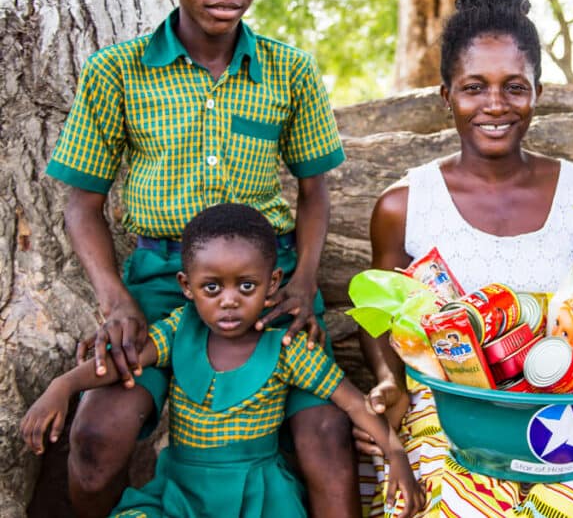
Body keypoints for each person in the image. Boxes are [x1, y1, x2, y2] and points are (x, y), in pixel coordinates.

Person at [44, 0, 357, 517]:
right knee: (97, 436)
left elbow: (315, 190)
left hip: (266, 291)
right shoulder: (118, 71)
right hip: (162, 284)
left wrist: (300, 283)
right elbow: (83, 203)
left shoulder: (289, 70)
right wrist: (116, 300)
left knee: (324, 436)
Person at [356, 0, 573, 517]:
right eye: (474, 87)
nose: (496, 104)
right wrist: (388, 382)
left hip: (559, 417)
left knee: (571, 505)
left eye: (515, 86)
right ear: (447, 96)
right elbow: (376, 317)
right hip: (445, 413)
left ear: (537, 93)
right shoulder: (405, 205)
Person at [22, 204, 424, 518]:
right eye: (211, 287)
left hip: (258, 498)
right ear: (187, 287)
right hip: (183, 492)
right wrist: (62, 387)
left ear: (273, 284)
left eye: (246, 286)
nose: (229, 300)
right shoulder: (180, 330)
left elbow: (352, 402)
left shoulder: (287, 347)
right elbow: (123, 361)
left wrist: (395, 455)